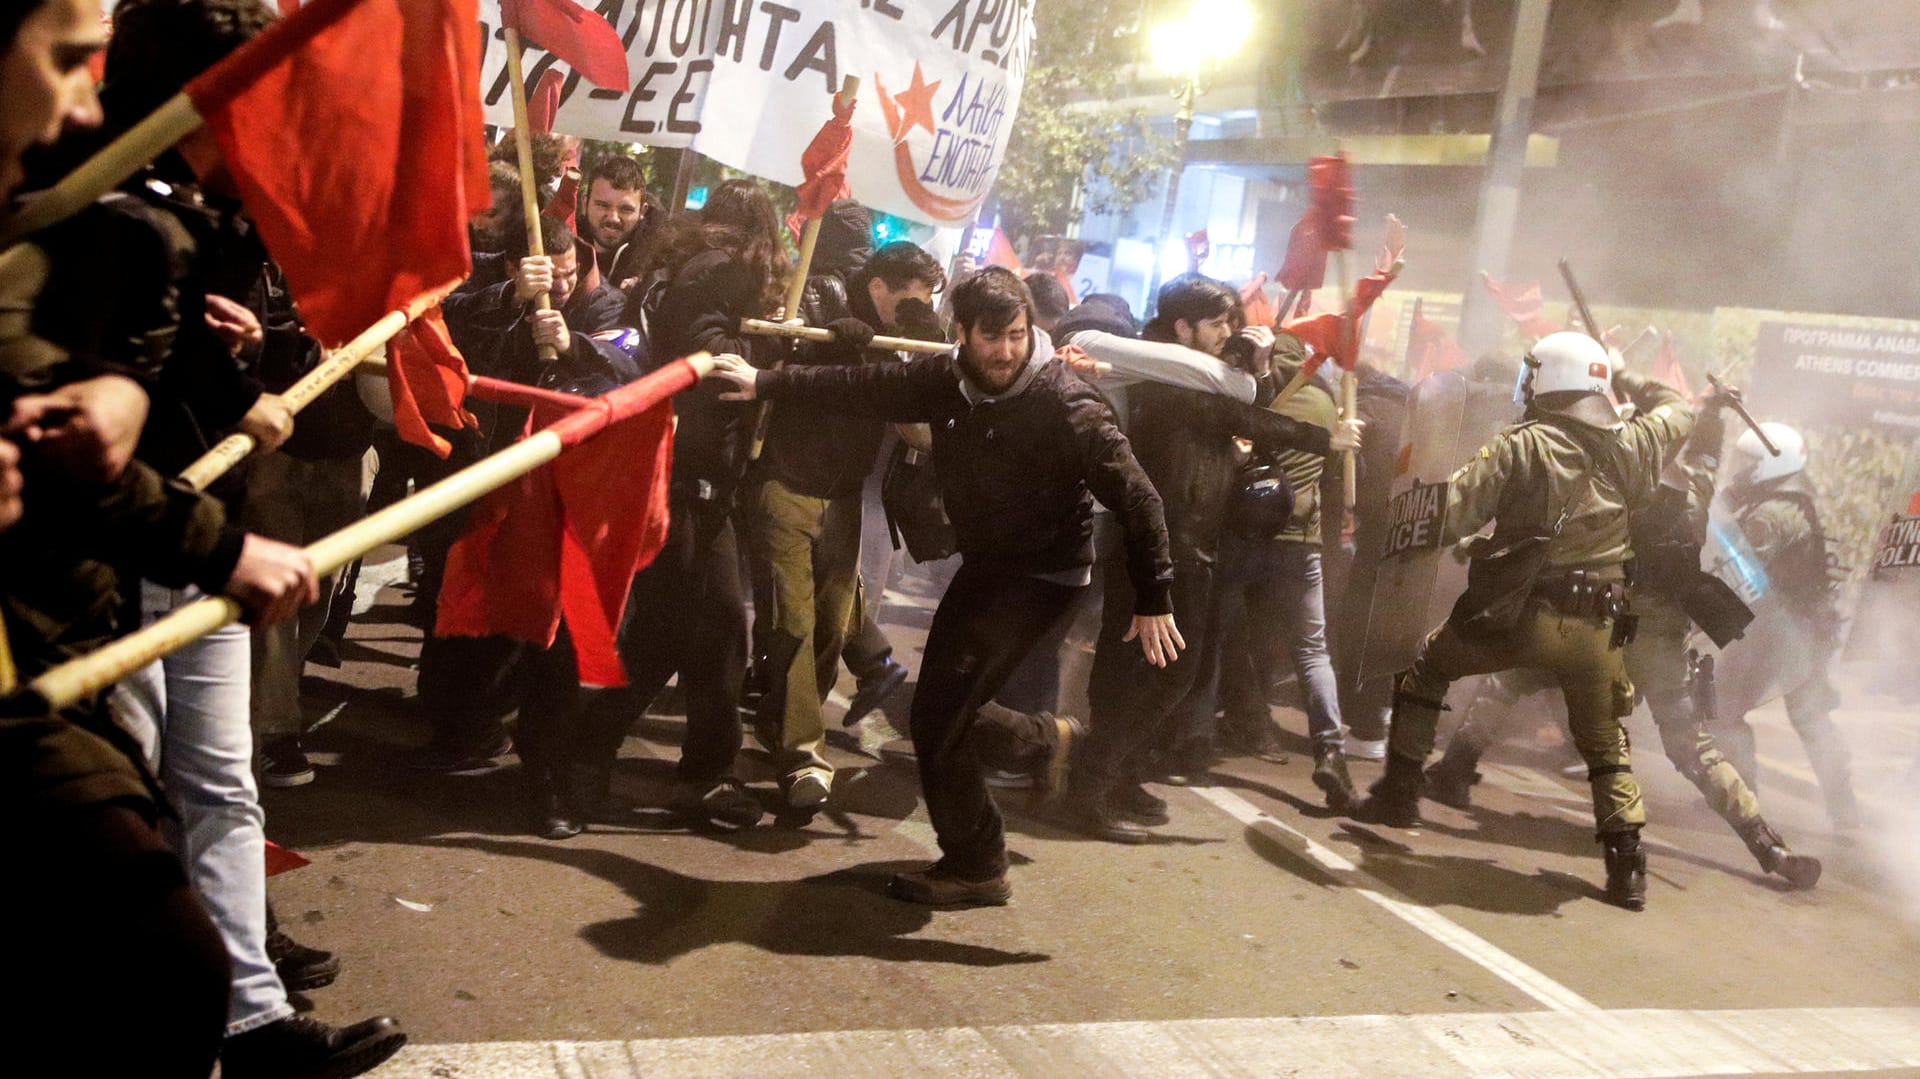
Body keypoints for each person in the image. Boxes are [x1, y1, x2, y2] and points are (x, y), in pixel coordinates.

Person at [98, 2, 408, 1071]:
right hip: (127, 560)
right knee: (128, 804)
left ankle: (253, 1017)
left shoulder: (212, 216)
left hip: (208, 548)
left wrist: (248, 363)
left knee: (222, 785)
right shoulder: (93, 215)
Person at [707, 267, 1179, 906]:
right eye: (991, 338)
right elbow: (862, 385)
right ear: (960, 334)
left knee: (938, 716)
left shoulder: (1066, 403)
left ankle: (978, 861)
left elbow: (1140, 498)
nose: (1006, 352)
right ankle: (1046, 743)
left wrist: (1155, 595)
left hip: (1044, 576)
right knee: (939, 710)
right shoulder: (946, 381)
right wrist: (764, 380)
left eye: (1016, 335)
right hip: (987, 565)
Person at [1347, 331, 1694, 912]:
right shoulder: (1637, 442)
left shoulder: (1519, 446)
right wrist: (1628, 374)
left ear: (1549, 380)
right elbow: (1679, 410)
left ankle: (1399, 792)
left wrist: (1396, 517)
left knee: (1425, 672)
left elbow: (1451, 514)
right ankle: (1627, 865)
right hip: (1597, 631)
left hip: (1517, 617)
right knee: (1607, 745)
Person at [1423, 394, 1822, 889]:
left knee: (1512, 680)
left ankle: (1455, 771)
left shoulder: (1619, 483)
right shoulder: (1696, 489)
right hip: (1664, 636)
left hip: (1604, 626)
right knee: (1693, 747)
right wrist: (1711, 409)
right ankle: (1766, 843)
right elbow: (1700, 455)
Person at [1064, 275, 1356, 842]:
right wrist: (1325, 439)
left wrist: (1263, 371)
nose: (1228, 333)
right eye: (1218, 323)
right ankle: (1092, 786)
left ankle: (1117, 778)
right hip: (1165, 547)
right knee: (1163, 676)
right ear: (1183, 326)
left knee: (1143, 672)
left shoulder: (1187, 372)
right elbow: (1238, 418)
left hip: (1179, 542)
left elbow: (1245, 411)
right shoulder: (1165, 372)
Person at [579, 178, 790, 831]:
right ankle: (582, 753)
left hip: (685, 473)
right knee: (683, 630)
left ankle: (696, 768)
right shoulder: (717, 273)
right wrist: (771, 352)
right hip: (689, 477)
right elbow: (711, 360)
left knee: (711, 634)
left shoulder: (679, 266)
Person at [746, 217, 947, 811]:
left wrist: (910, 366)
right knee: (794, 621)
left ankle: (781, 723)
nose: (914, 309)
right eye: (909, 297)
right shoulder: (823, 292)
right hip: (787, 480)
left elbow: (921, 434)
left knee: (833, 625)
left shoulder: (903, 338)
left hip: (843, 496)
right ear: (879, 286)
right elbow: (783, 359)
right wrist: (832, 348)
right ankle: (802, 755)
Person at [1178, 333, 1355, 805]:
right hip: (1301, 544)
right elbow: (1333, 482)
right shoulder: (1327, 404)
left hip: (1244, 536)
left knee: (1213, 639)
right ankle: (1332, 754)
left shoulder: (1257, 394)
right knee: (1312, 652)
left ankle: (1193, 747)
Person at [1707, 421, 1859, 829]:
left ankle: (1742, 800)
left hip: (1777, 632)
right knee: (1810, 717)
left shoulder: (1771, 515)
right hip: (1807, 628)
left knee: (1724, 709)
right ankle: (1844, 809)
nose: (1741, 470)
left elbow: (1735, 570)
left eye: (1749, 463)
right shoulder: (1795, 500)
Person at [579, 153, 656, 289]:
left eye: (625, 209)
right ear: (585, 204)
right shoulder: (564, 244)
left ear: (642, 212)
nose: (613, 218)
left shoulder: (655, 264)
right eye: (602, 205)